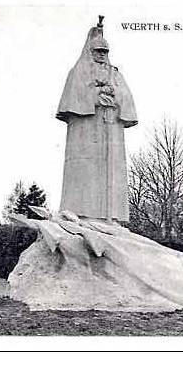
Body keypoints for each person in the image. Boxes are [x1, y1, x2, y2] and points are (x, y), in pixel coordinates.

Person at [56, 16, 137, 222]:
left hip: (110, 129)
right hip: (86, 132)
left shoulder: (115, 74)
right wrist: (96, 96)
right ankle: (82, 215)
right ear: (90, 51)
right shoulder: (78, 73)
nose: (102, 55)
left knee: (111, 176)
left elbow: (126, 97)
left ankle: (112, 218)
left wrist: (113, 94)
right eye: (98, 51)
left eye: (105, 51)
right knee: (86, 175)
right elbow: (75, 98)